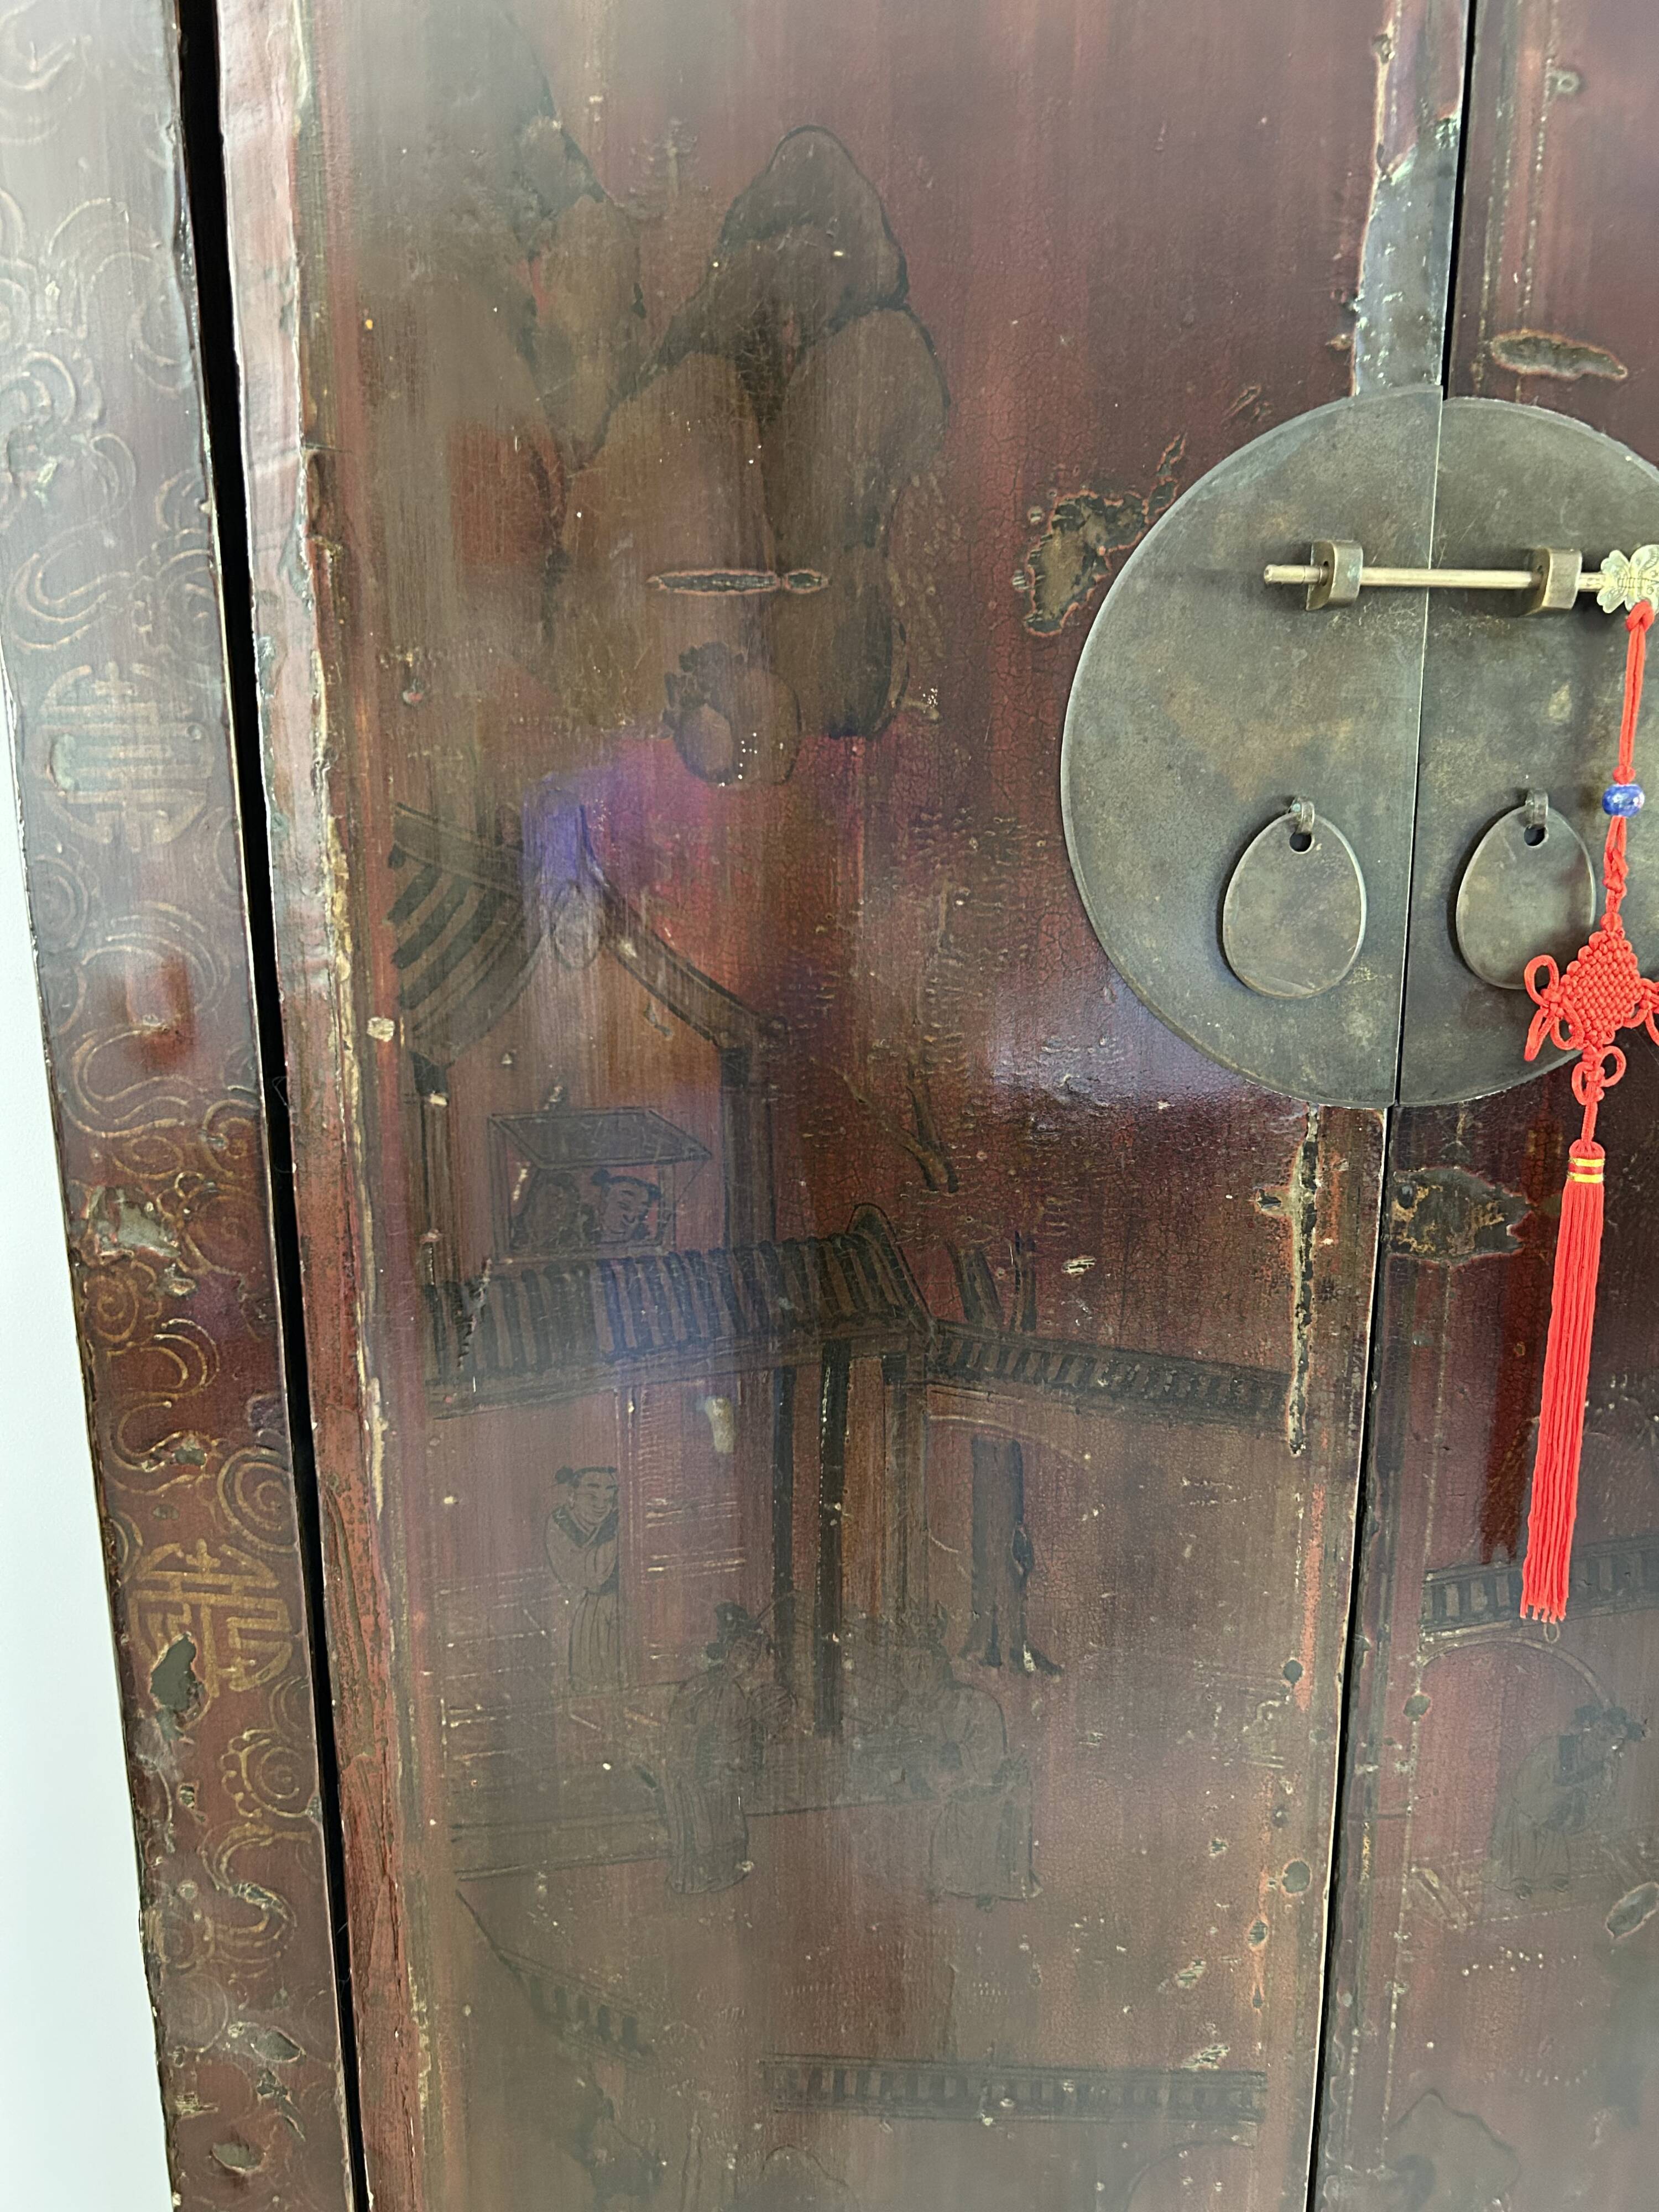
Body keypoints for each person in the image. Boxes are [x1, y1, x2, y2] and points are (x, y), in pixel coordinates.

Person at [890, 1627, 1037, 1905]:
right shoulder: (908, 1711)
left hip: (980, 1793)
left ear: (940, 1667)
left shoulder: (975, 1705)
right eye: (909, 1666)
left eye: (923, 1665)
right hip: (935, 1792)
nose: (916, 1674)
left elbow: (986, 1766)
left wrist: (950, 1756)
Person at [659, 1603, 792, 1893]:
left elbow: (740, 1737)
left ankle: (719, 1873)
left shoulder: (732, 1692)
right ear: (728, 1651)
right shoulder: (707, 1688)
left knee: (722, 1822)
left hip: (716, 1773)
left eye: (751, 1655)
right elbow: (686, 1734)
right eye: (741, 1652)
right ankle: (700, 1877)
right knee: (706, 1824)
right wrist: (705, 1760)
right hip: (696, 1772)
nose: (745, 1661)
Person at [1491, 1702, 1645, 1895]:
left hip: (1565, 1812)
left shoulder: (1603, 1768)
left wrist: (1577, 1801)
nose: (1603, 1737)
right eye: (1602, 1729)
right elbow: (1528, 1780)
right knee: (1526, 1821)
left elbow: (1598, 1801)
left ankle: (1553, 1874)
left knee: (1561, 1822)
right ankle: (1521, 1878)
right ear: (1592, 1726)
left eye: (1612, 1735)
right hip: (1536, 1797)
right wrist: (1549, 1795)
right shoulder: (1559, 1747)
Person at [545, 1466, 622, 1692]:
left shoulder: (618, 1519)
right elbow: (586, 1574)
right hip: (591, 1614)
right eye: (592, 1496)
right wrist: (617, 1539)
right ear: (572, 1495)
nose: (601, 1505)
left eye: (609, 1498)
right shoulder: (560, 1524)